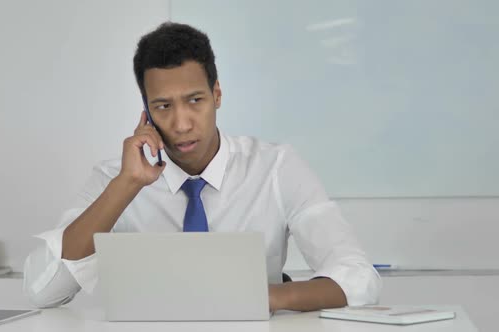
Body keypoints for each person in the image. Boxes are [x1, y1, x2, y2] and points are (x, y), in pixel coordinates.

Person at [23, 22, 381, 311]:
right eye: (163, 106)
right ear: (145, 112)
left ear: (217, 95)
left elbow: (359, 277)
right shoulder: (115, 179)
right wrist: (126, 186)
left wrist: (263, 297)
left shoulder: (276, 167)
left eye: (195, 101)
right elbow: (43, 290)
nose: (181, 124)